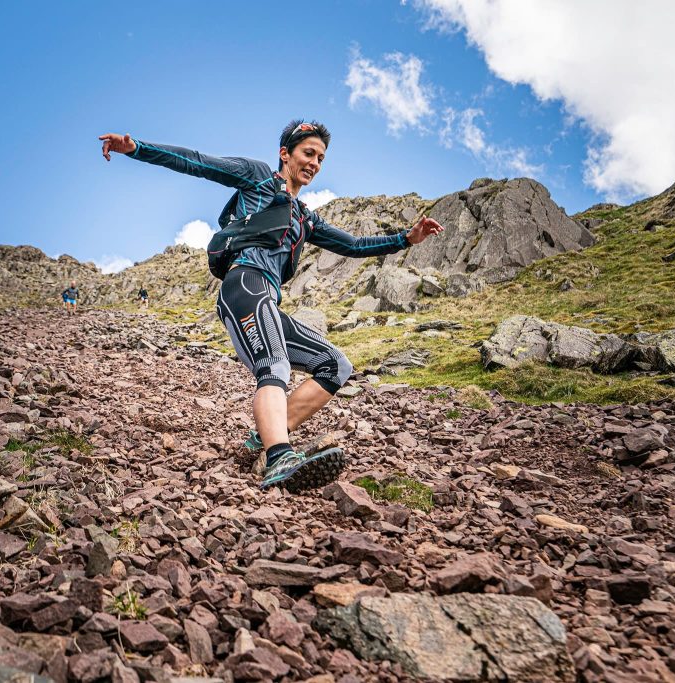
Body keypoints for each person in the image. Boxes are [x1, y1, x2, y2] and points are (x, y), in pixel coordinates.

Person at [99, 120, 443, 493]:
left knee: (335, 365)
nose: (314, 162)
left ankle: (261, 440)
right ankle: (280, 457)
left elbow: (354, 245)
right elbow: (198, 162)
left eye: (321, 158)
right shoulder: (258, 178)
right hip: (245, 283)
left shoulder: (304, 217)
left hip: (268, 298)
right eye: (308, 153)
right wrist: (136, 148)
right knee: (275, 363)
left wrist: (406, 239)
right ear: (285, 153)